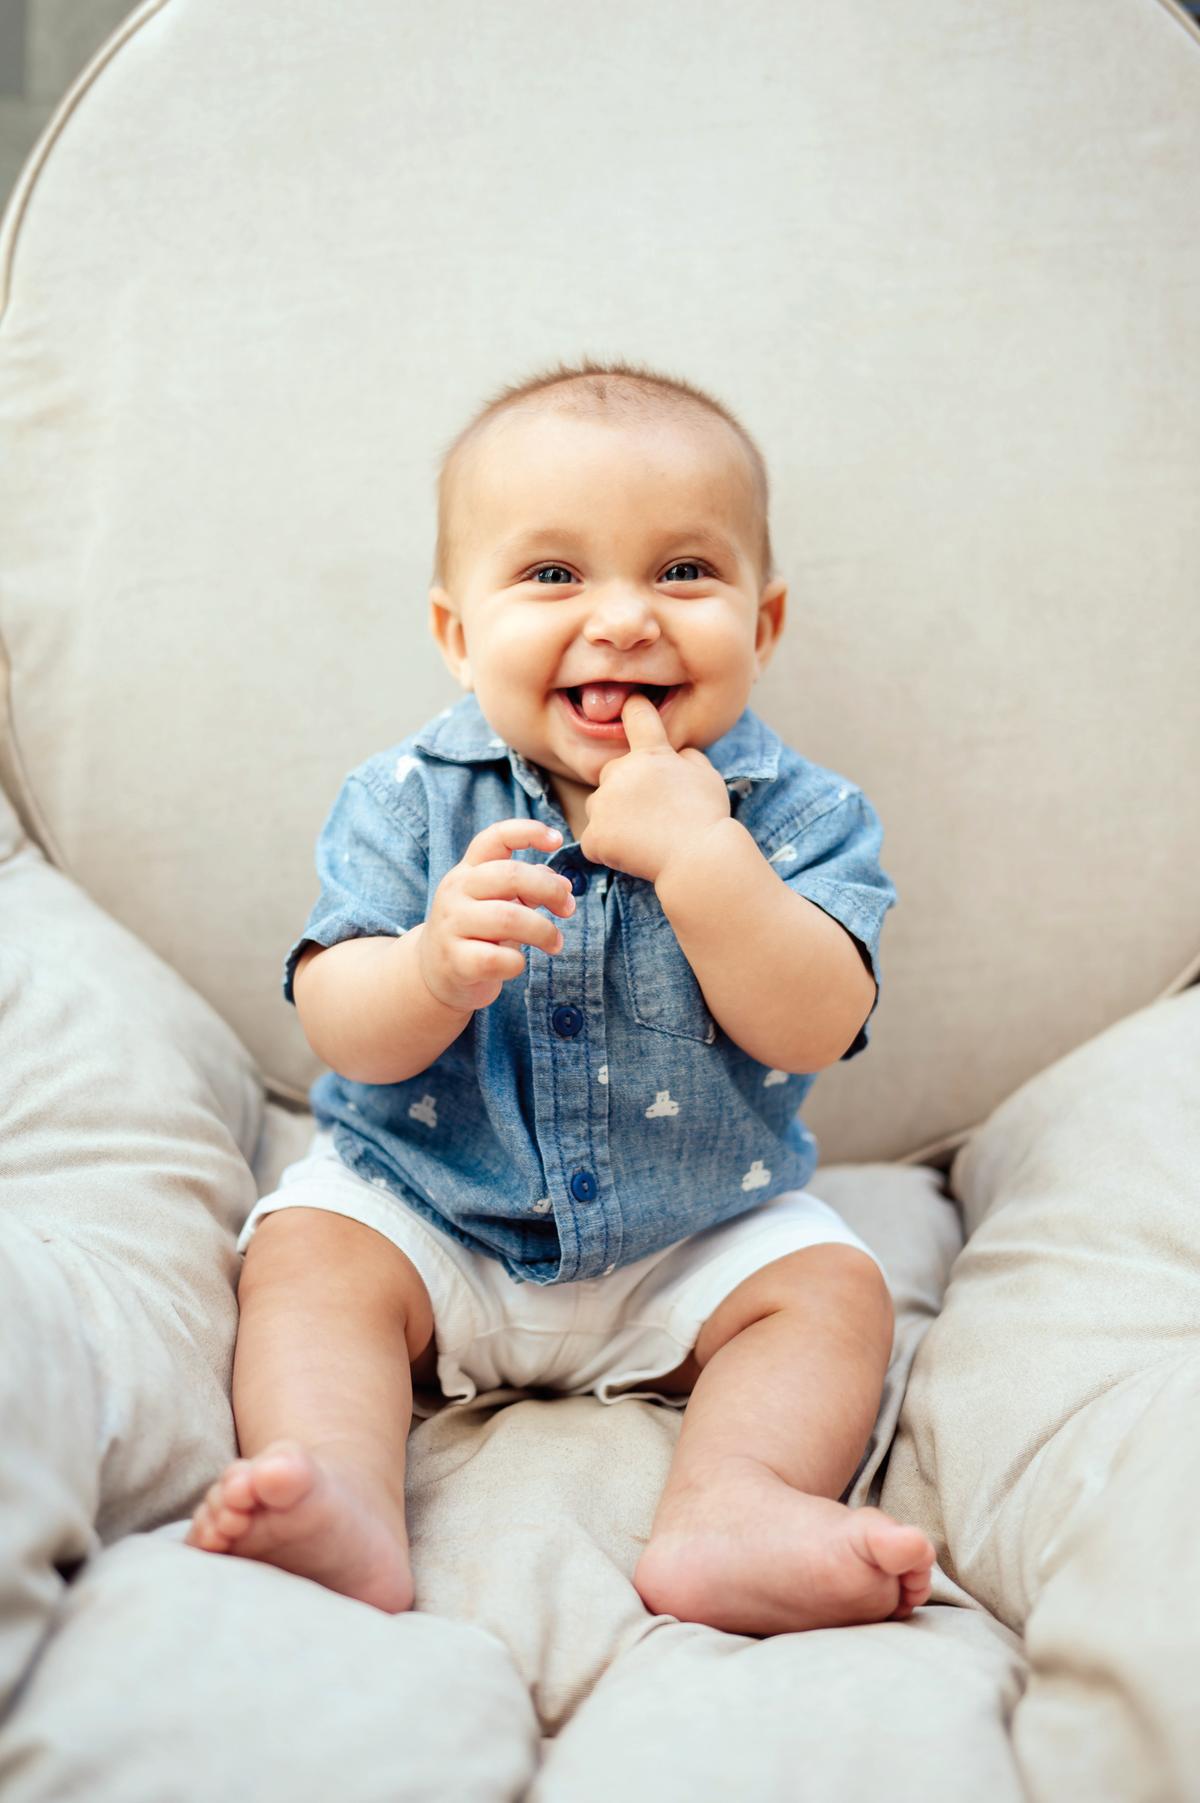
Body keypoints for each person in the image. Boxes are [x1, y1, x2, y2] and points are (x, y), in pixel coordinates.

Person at [186, 358, 936, 1635]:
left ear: (762, 626)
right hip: (432, 1208)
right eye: (553, 575)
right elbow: (339, 1025)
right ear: (457, 634)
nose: (627, 620)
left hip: (692, 1236)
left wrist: (709, 865)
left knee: (831, 1290)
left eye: (684, 572)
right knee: (308, 1250)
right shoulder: (408, 801)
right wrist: (426, 968)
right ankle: (346, 1493)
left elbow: (816, 1022)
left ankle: (736, 1507)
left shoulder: (804, 819)